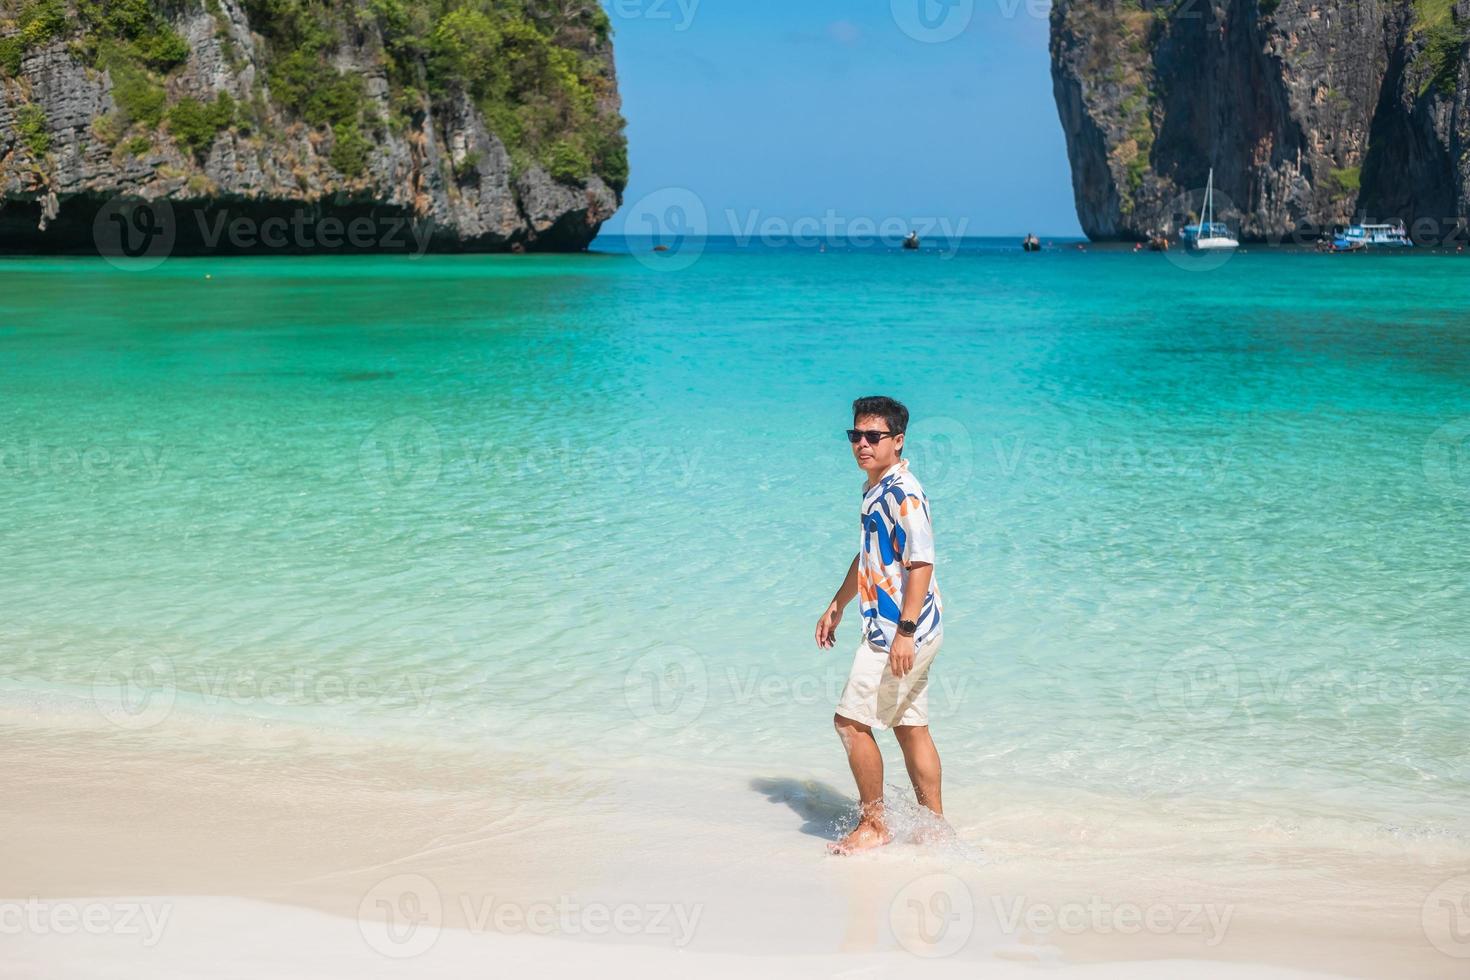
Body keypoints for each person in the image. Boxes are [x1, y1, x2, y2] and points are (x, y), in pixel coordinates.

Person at [815, 395, 946, 854]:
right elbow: (870, 557)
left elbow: (921, 563)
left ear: (898, 440)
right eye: (856, 436)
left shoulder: (902, 493)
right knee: (911, 726)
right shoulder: (876, 487)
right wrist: (838, 604)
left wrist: (904, 633)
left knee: (850, 723)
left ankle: (875, 825)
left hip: (897, 633)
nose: (863, 445)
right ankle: (933, 828)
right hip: (910, 629)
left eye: (874, 437)